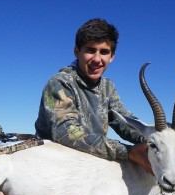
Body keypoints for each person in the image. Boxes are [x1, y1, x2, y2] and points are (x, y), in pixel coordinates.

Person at [35, 18, 152, 174]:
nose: (97, 59)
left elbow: (124, 122)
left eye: (104, 52)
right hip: (55, 164)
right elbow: (66, 134)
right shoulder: (60, 83)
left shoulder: (107, 88)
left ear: (112, 56)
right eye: (90, 50)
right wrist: (128, 152)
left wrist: (156, 140)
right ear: (77, 52)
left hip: (90, 162)